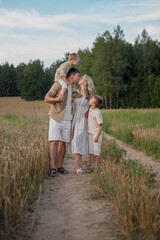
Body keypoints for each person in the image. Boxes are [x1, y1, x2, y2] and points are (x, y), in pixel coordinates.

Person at [45, 67, 80, 177]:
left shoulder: (73, 88)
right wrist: (57, 99)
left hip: (68, 120)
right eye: (78, 76)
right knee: (54, 142)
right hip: (56, 117)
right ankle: (53, 167)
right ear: (72, 76)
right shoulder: (59, 84)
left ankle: (60, 166)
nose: (78, 78)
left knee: (63, 143)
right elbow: (46, 98)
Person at [71, 74, 95, 175]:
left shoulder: (90, 93)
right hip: (76, 118)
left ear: (85, 82)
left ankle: (89, 166)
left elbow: (95, 104)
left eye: (81, 78)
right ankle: (78, 167)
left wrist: (89, 110)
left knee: (82, 141)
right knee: (75, 140)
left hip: (84, 119)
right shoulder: (76, 92)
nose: (79, 79)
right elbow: (70, 101)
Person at [87, 95, 103, 173]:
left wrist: (97, 136)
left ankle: (96, 167)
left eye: (91, 99)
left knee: (96, 151)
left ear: (94, 104)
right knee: (91, 151)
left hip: (96, 134)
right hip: (90, 133)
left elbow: (101, 126)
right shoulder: (90, 109)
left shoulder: (97, 112)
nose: (90, 100)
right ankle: (92, 166)